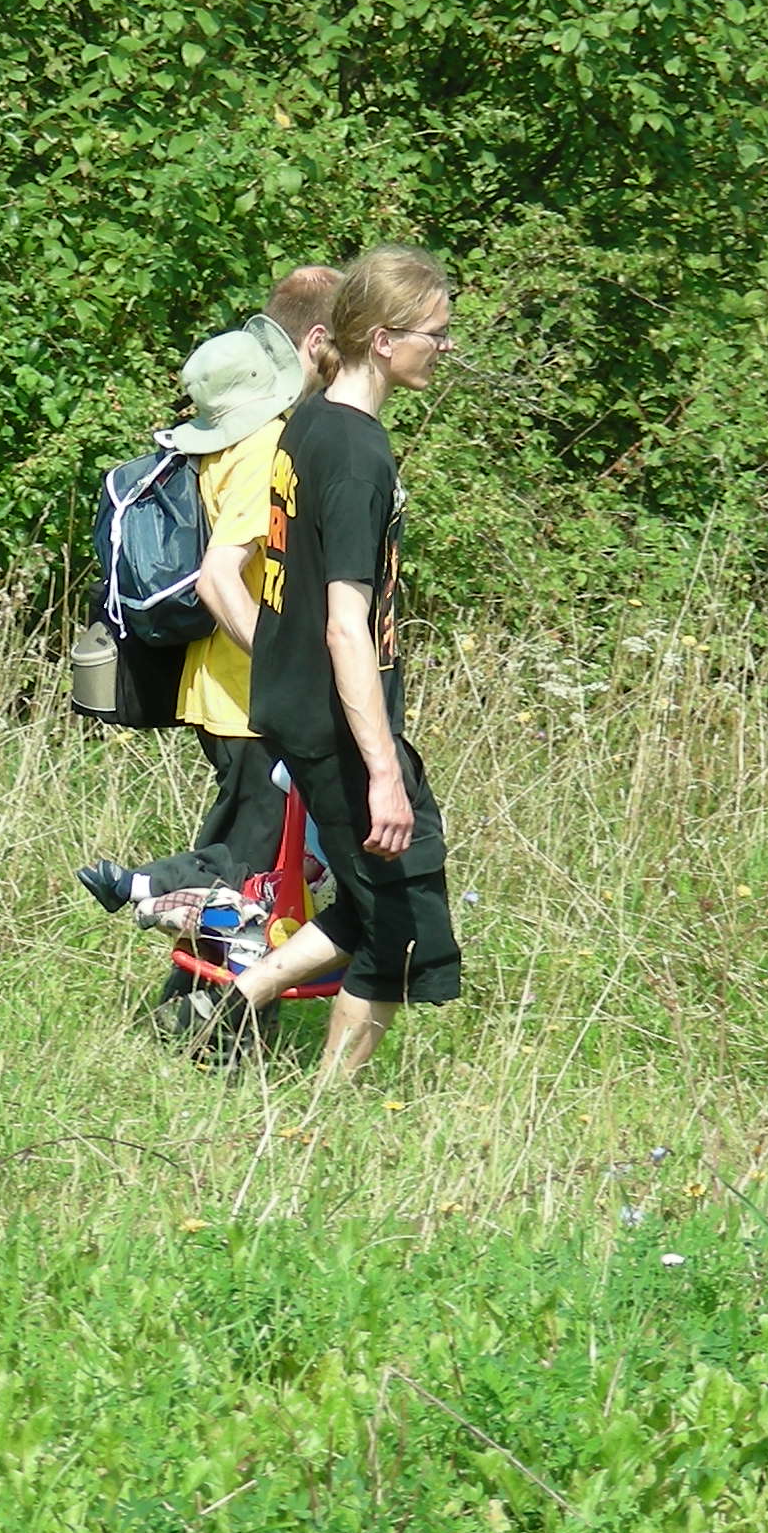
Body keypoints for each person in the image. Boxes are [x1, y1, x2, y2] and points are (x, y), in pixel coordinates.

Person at [223, 247, 460, 1078]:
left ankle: (237, 999)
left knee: (376, 894)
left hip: (298, 705)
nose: (445, 349)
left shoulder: (309, 421)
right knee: (403, 927)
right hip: (336, 719)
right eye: (436, 334)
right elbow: (345, 626)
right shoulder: (358, 454)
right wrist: (384, 771)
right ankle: (326, 1113)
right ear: (385, 339)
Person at [79, 266, 340, 910]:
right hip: (247, 690)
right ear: (316, 342)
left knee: (264, 863)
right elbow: (221, 576)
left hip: (224, 684)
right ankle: (146, 889)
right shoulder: (263, 444)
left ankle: (170, 930)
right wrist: (288, 669)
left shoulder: (228, 440)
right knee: (255, 870)